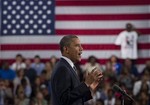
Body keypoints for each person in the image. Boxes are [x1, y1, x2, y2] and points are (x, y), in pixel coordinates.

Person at [51, 35, 103, 105]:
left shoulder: (68, 67)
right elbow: (64, 99)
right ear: (66, 49)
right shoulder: (62, 68)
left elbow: (75, 99)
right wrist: (86, 83)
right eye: (77, 45)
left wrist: (89, 87)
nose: (81, 49)